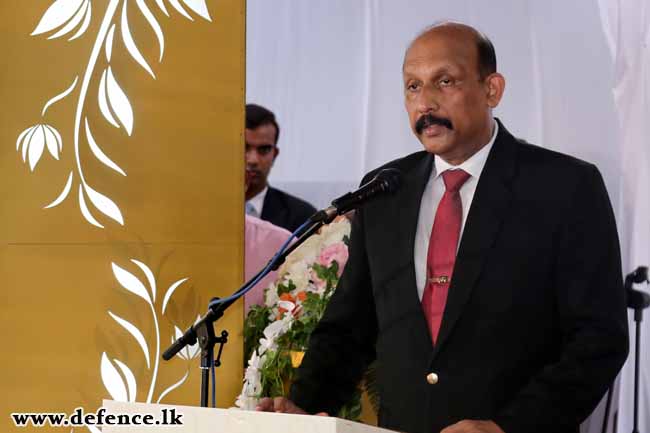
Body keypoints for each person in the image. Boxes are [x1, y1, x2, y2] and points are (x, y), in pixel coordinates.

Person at [256, 22, 629, 433]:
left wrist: (508, 426)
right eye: (413, 87)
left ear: (493, 89)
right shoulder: (384, 189)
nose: (425, 103)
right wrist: (302, 405)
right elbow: (350, 327)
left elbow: (598, 339)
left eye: (444, 81)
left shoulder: (564, 187)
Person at [245, 103, 317, 232]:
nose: (253, 160)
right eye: (244, 148)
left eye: (264, 149)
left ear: (275, 155)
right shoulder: (203, 210)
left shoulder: (303, 218)